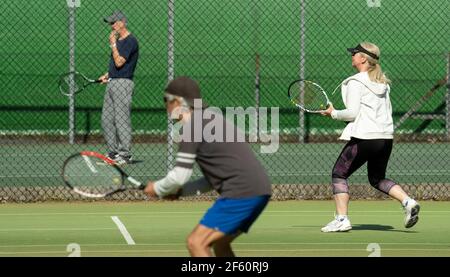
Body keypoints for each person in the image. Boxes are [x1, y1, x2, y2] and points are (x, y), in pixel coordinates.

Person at [143, 76, 272, 257]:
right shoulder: (212, 119)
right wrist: (180, 192)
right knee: (220, 245)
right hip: (260, 189)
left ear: (178, 101)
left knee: (196, 243)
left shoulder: (192, 127)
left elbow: (180, 175)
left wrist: (157, 188)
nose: (165, 105)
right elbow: (211, 181)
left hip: (241, 193)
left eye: (166, 100)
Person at [320, 42, 420, 232]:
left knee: (339, 174)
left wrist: (333, 113)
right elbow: (372, 114)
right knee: (377, 178)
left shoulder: (355, 81)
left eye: (354, 54)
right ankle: (408, 202)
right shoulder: (382, 83)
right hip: (385, 139)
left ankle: (342, 219)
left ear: (363, 58)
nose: (352, 56)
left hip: (366, 139)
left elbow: (352, 113)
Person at [98, 11, 139, 165]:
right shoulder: (119, 41)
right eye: (110, 23)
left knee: (121, 119)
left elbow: (120, 62)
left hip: (123, 83)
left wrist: (113, 44)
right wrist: (108, 75)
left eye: (114, 22)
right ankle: (113, 153)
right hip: (113, 82)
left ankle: (125, 154)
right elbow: (117, 66)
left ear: (122, 22)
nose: (111, 26)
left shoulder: (130, 41)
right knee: (106, 120)